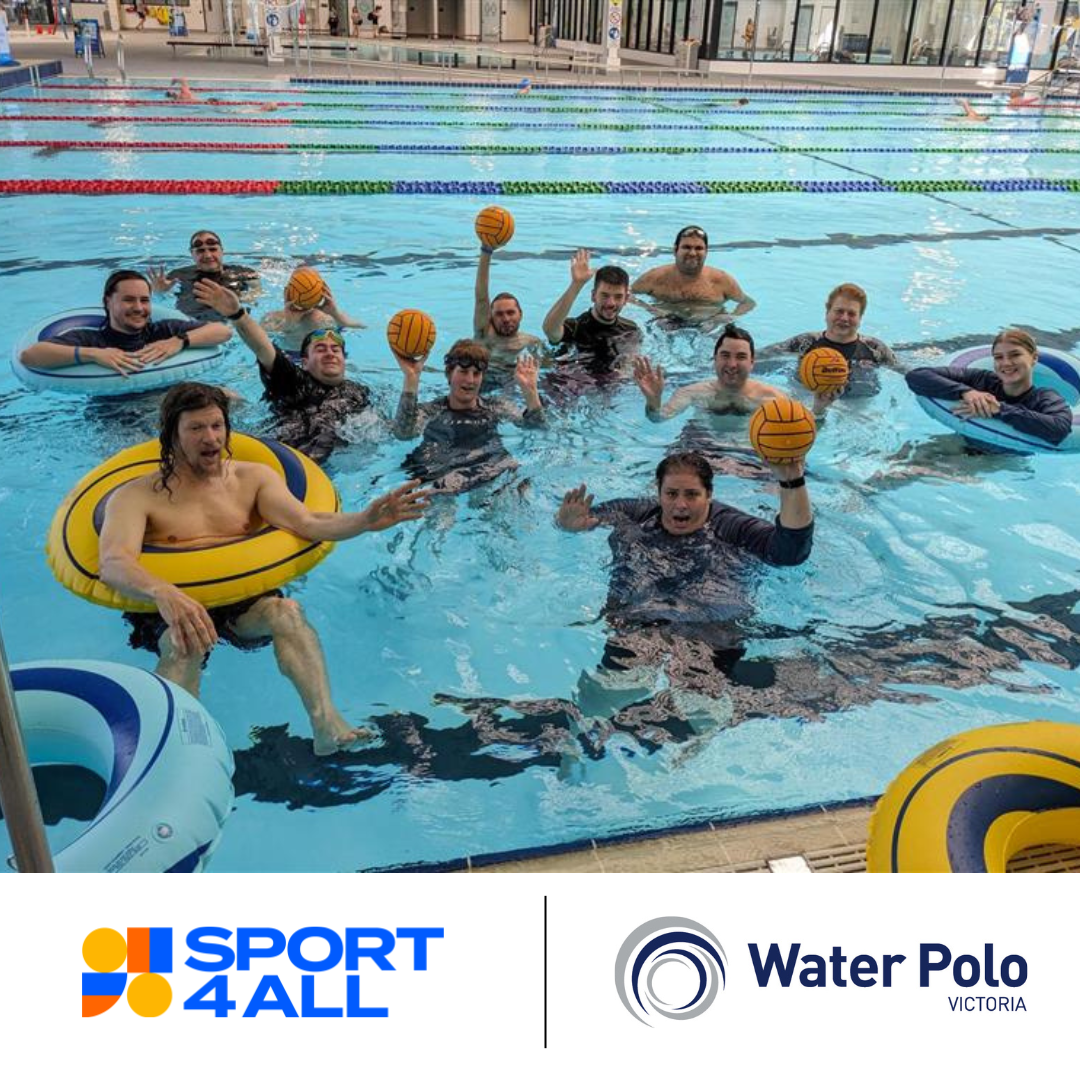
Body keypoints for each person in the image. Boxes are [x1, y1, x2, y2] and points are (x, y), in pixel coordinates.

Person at [99, 382, 431, 756]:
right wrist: (164, 593)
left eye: (216, 426)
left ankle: (327, 725)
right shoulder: (138, 495)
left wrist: (365, 520)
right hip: (171, 600)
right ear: (172, 435)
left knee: (287, 612)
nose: (210, 438)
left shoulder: (251, 479)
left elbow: (307, 522)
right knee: (184, 644)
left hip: (241, 595)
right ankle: (173, 751)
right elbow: (113, 562)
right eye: (196, 428)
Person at [555, 450, 813, 714]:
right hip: (638, 623)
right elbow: (584, 519)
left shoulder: (732, 528)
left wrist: (792, 482)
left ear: (709, 494)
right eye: (671, 494)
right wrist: (566, 525)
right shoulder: (634, 514)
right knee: (598, 702)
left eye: (692, 494)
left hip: (711, 630)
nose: (680, 504)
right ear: (659, 492)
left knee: (698, 714)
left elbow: (790, 553)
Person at [192, 278, 374, 464]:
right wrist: (238, 315)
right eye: (320, 349)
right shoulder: (295, 382)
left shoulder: (360, 392)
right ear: (305, 363)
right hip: (278, 456)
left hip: (324, 468)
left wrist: (407, 379)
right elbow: (264, 349)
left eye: (335, 350)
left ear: (344, 360)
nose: (329, 353)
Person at [392, 339, 545, 493]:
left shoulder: (496, 407)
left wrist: (530, 392)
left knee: (517, 483)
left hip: (489, 469)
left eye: (476, 373)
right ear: (449, 374)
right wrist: (411, 380)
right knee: (442, 510)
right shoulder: (432, 410)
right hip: (438, 473)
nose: (470, 380)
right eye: (463, 372)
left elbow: (538, 429)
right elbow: (403, 434)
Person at [19, 270, 231, 375]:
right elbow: (30, 356)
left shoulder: (163, 330)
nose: (139, 308)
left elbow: (222, 331)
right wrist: (93, 354)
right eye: (128, 300)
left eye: (144, 300)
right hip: (116, 414)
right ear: (108, 302)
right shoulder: (90, 339)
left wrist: (179, 341)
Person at [905, 327, 1072, 446]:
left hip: (1004, 459)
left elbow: (1059, 429)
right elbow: (917, 376)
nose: (1006, 363)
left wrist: (999, 409)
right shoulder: (983, 380)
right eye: (999, 357)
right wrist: (966, 392)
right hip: (963, 441)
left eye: (1015, 355)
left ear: (1034, 358)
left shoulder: (1045, 397)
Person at [758, 282, 898, 411]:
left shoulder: (875, 349)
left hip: (857, 404)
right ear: (827, 313)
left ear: (860, 318)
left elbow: (903, 371)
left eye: (851, 313)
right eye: (839, 311)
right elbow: (757, 356)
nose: (844, 318)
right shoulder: (805, 343)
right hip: (806, 397)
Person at [633, 324, 784, 421]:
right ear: (715, 359)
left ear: (752, 363)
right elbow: (659, 419)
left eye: (741, 357)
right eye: (725, 356)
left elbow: (803, 423)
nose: (732, 364)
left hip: (745, 454)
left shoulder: (773, 399)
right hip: (700, 445)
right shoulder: (691, 393)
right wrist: (653, 401)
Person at [631, 225, 756, 328]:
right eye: (687, 247)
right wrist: (651, 310)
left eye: (698, 248)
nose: (692, 253)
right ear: (675, 250)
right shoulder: (655, 277)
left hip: (709, 327)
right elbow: (626, 295)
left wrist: (728, 317)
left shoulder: (722, 280)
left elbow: (748, 303)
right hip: (667, 326)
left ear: (706, 251)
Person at [542, 250, 641, 375]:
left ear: (626, 299)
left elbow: (629, 365)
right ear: (593, 296)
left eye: (618, 297)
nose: (611, 303)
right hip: (569, 384)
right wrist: (576, 284)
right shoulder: (574, 328)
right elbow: (549, 329)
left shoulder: (630, 329)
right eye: (605, 295)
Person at [149, 230, 261, 321]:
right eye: (200, 251)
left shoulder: (245, 274)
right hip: (190, 322)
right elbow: (161, 302)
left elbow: (256, 298)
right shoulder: (178, 275)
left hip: (232, 322)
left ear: (222, 251)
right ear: (192, 254)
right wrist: (159, 292)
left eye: (213, 249)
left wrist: (241, 300)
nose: (207, 255)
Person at [473, 242, 543, 371]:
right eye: (499, 314)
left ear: (520, 314)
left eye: (510, 312)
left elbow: (544, 367)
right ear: (491, 318)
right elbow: (481, 298)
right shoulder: (484, 335)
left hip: (513, 381)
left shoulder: (532, 342)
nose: (506, 319)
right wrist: (486, 251)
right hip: (484, 381)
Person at [260, 274, 365, 352]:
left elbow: (362, 327)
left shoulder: (330, 317)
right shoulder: (273, 317)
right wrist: (288, 325)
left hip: (321, 362)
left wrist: (335, 313)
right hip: (287, 358)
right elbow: (259, 338)